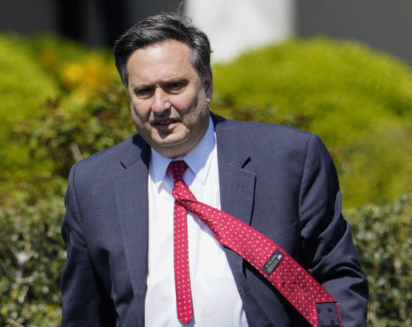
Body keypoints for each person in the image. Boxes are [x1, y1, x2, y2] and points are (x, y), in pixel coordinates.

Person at [60, 13, 368, 327]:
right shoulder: (92, 184)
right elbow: (84, 312)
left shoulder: (288, 160)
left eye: (174, 86)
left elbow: (336, 277)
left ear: (206, 85)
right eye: (144, 91)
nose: (160, 105)